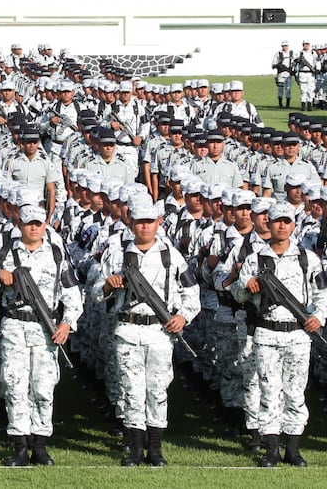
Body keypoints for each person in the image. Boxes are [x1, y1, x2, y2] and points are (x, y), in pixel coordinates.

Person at [94, 196, 199, 467]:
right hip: (128, 330)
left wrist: (183, 317)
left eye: (149, 222)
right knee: (131, 390)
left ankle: (155, 448)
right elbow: (94, 292)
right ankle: (134, 448)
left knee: (158, 390)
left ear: (158, 223)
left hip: (159, 332)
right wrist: (108, 286)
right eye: (140, 222)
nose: (144, 227)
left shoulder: (170, 255)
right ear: (131, 223)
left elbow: (192, 292)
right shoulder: (117, 254)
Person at [0, 203, 83, 466]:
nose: (35, 228)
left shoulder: (57, 255)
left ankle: (40, 446)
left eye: (39, 223)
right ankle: (19, 446)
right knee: (15, 386)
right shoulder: (5, 253)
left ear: (45, 225)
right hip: (15, 327)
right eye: (30, 224)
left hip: (45, 330)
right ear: (20, 225)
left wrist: (67, 324)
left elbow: (73, 295)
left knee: (43, 388)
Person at [232, 201, 327, 467]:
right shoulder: (255, 259)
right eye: (278, 221)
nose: (282, 226)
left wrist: (318, 317)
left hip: (298, 334)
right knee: (269, 390)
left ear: (294, 225)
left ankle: (293, 448)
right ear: (269, 223)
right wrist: (247, 284)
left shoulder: (307, 259)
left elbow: (323, 293)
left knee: (295, 392)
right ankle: (271, 448)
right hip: (266, 333)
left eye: (287, 221)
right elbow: (238, 295)